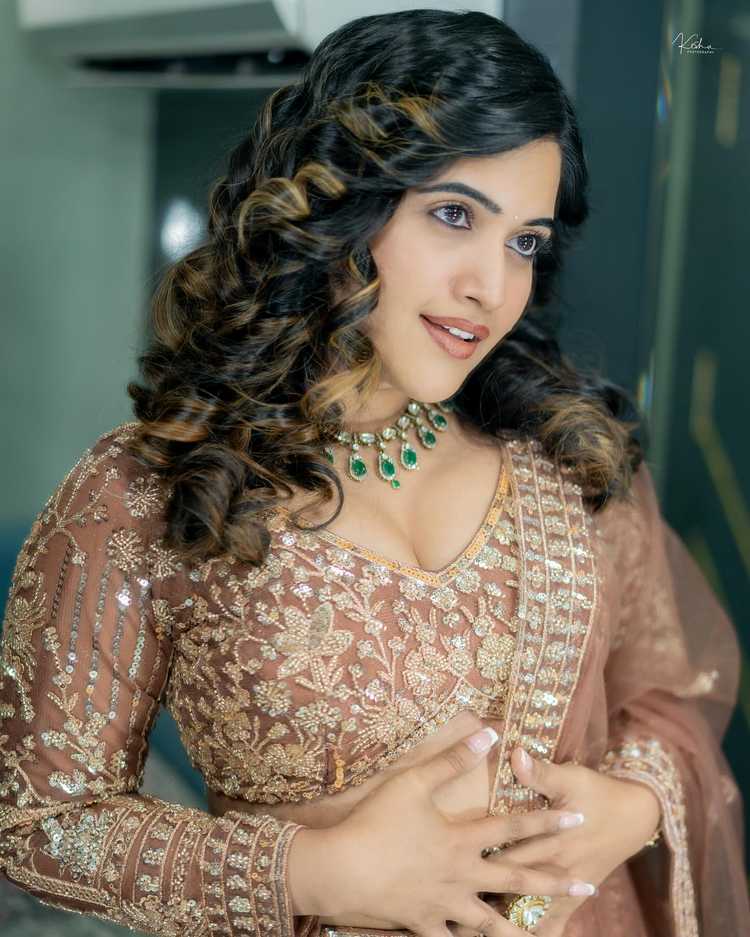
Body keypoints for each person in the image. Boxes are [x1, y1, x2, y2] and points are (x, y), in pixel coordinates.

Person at [0, 8, 747, 937]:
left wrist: (628, 808)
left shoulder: (568, 459)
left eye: (524, 242)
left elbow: (668, 699)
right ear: (338, 204)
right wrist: (319, 870)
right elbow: (39, 822)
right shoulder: (149, 490)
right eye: (453, 215)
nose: (491, 287)